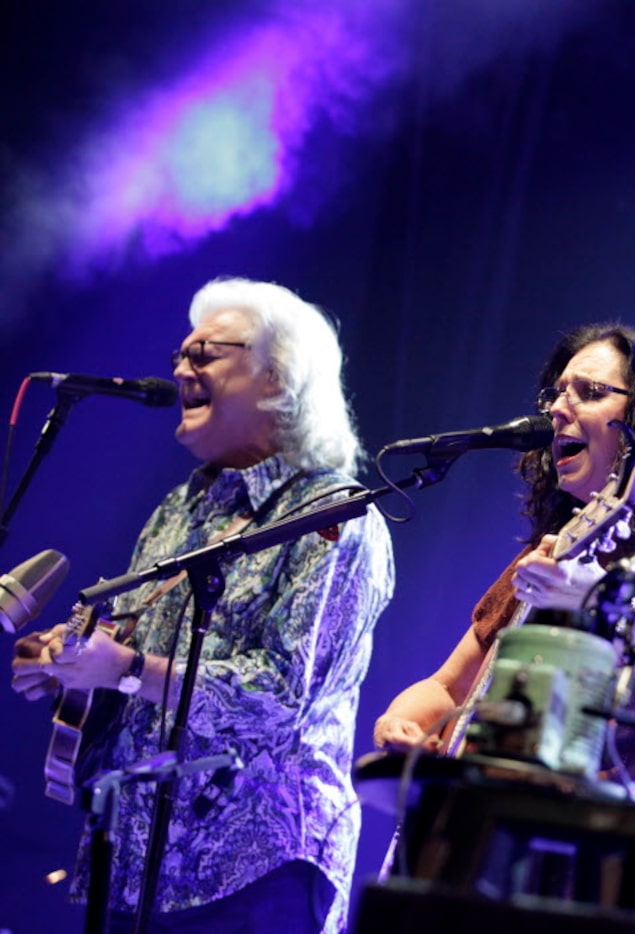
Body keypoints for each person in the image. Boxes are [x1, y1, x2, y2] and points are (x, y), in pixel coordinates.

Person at [11, 277, 395, 933]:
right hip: (134, 861)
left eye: (206, 353)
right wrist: (73, 669)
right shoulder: (181, 507)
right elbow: (138, 663)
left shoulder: (336, 518)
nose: (181, 369)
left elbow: (280, 694)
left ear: (278, 378)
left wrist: (126, 667)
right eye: (179, 357)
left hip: (254, 869)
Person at [374, 322, 635, 928]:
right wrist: (402, 721)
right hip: (527, 841)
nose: (559, 409)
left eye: (587, 391)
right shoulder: (554, 549)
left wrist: (601, 596)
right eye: (555, 393)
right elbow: (452, 685)